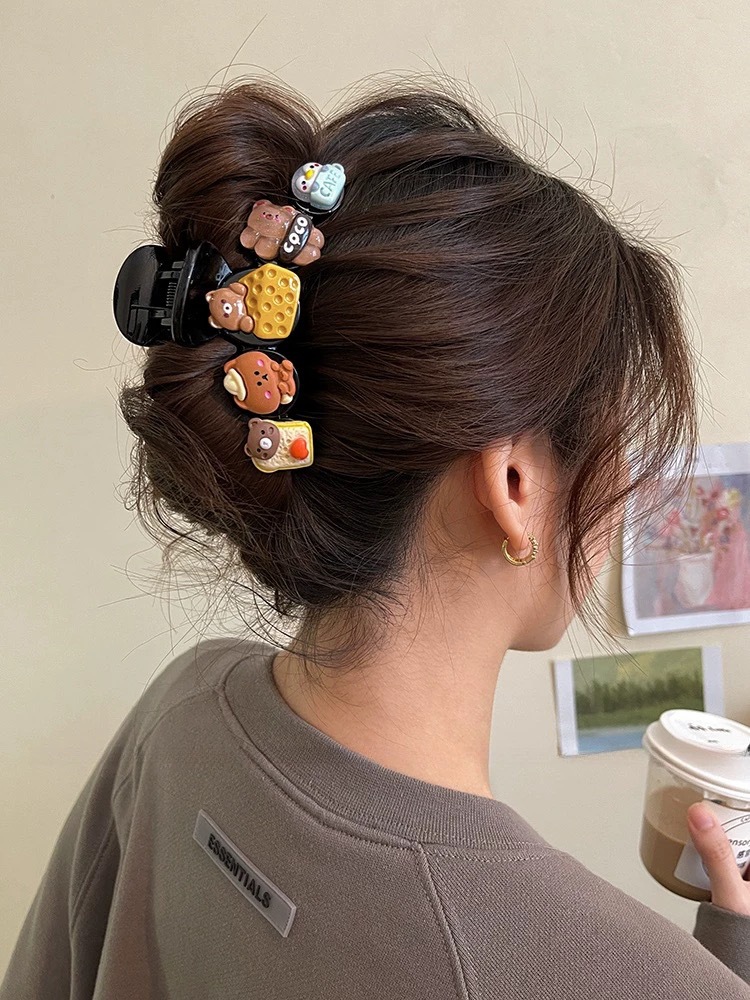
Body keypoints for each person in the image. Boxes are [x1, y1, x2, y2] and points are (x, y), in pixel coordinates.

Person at [3, 78, 749, 999]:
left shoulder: (183, 710)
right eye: (617, 447)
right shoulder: (627, 976)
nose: (622, 496)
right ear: (515, 486)